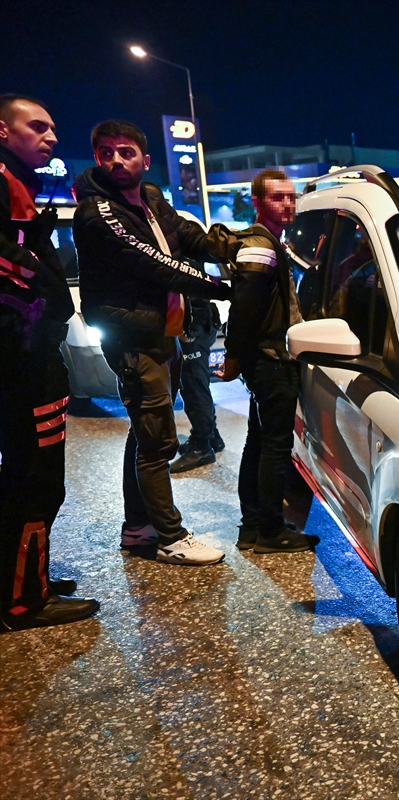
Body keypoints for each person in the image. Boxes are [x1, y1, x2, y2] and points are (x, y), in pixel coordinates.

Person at [73, 120, 238, 566]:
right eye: (105, 152)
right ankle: (169, 536)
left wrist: (236, 249)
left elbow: (188, 237)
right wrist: (223, 288)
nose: (115, 160)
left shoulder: (149, 199)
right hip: (134, 336)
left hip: (160, 333)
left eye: (125, 152)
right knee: (158, 441)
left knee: (144, 434)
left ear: (146, 161)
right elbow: (155, 264)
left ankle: (138, 527)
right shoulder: (97, 211)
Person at [0, 94, 100, 631]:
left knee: (25, 476)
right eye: (37, 126)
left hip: (29, 354)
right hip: (23, 360)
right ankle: (22, 601)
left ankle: (23, 581)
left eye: (53, 127)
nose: (52, 136)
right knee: (36, 480)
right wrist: (38, 287)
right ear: (2, 130)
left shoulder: (23, 183)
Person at [219, 169, 317, 554]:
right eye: (278, 197)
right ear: (258, 203)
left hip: (265, 359)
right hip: (272, 360)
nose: (288, 204)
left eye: (291, 197)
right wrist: (233, 356)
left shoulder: (273, 241)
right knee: (274, 447)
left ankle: (253, 526)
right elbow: (244, 306)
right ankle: (272, 532)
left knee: (257, 443)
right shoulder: (261, 244)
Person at [170, 295, 226, 473]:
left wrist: (189, 331)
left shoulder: (183, 265)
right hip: (194, 324)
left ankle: (201, 447)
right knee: (197, 384)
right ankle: (211, 437)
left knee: (194, 387)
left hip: (191, 326)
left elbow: (194, 293)